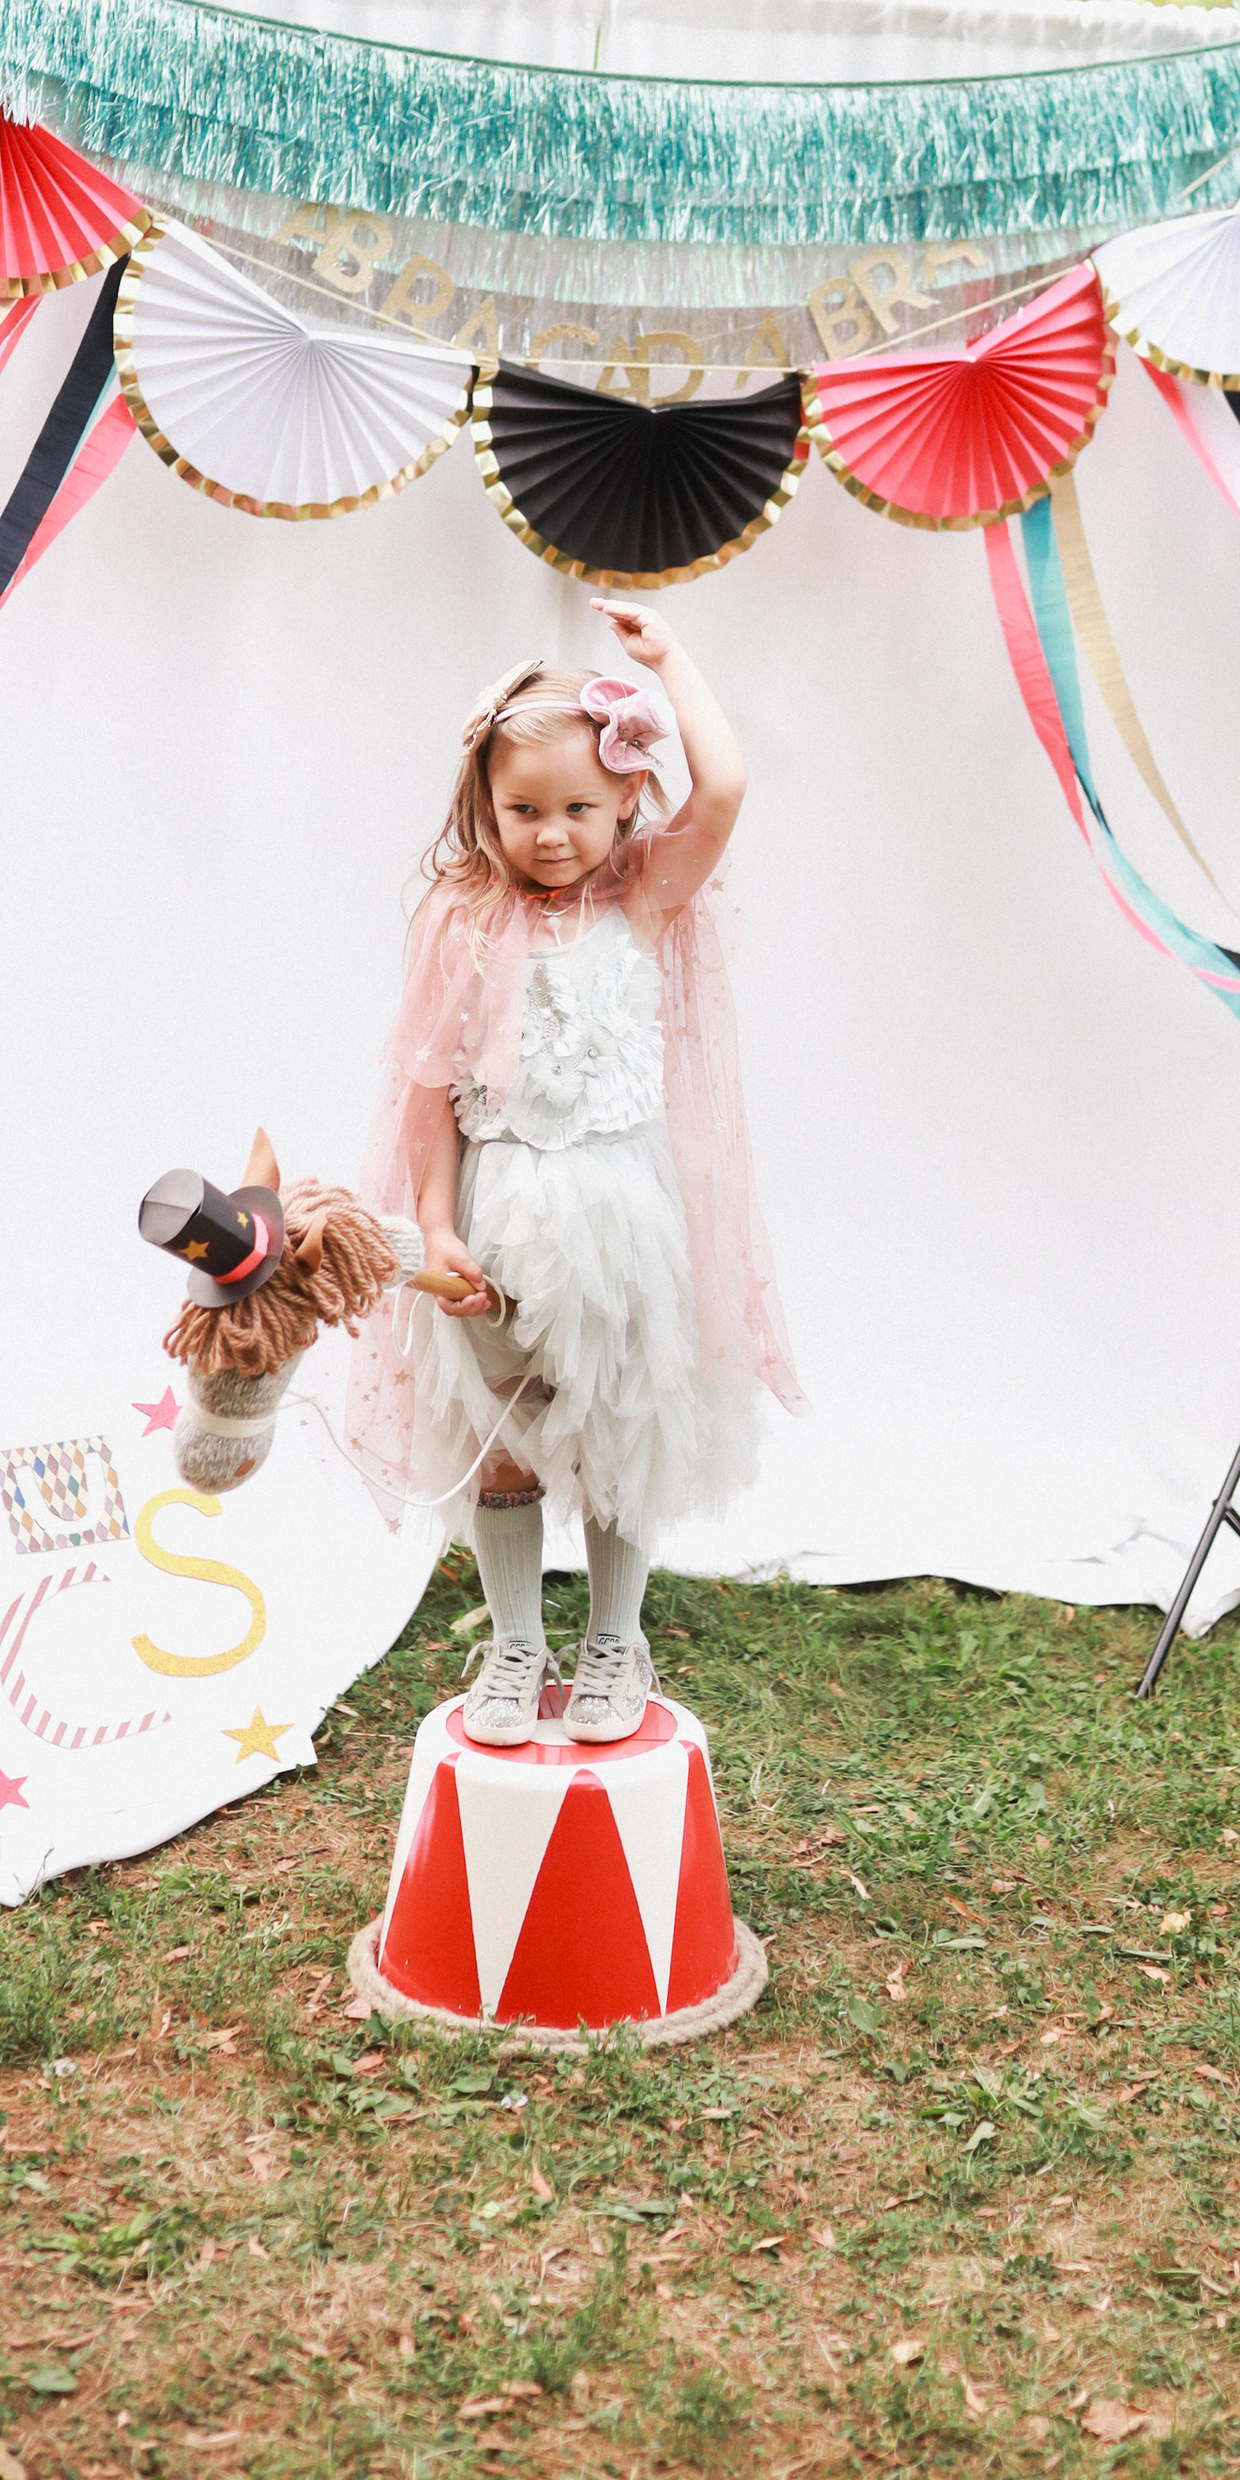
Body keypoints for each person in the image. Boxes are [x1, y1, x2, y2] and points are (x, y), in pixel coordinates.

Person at [348, 604, 798, 1747]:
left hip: (616, 1213)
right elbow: (425, 1087)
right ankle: (516, 1643)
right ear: (484, 806)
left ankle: (613, 1638)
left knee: (617, 1431)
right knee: (500, 1434)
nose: (552, 835)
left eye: (579, 809)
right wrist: (436, 1225)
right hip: (496, 1210)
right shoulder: (460, 920)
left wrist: (667, 662)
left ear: (626, 798)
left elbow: (725, 790)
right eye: (524, 810)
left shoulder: (641, 899)